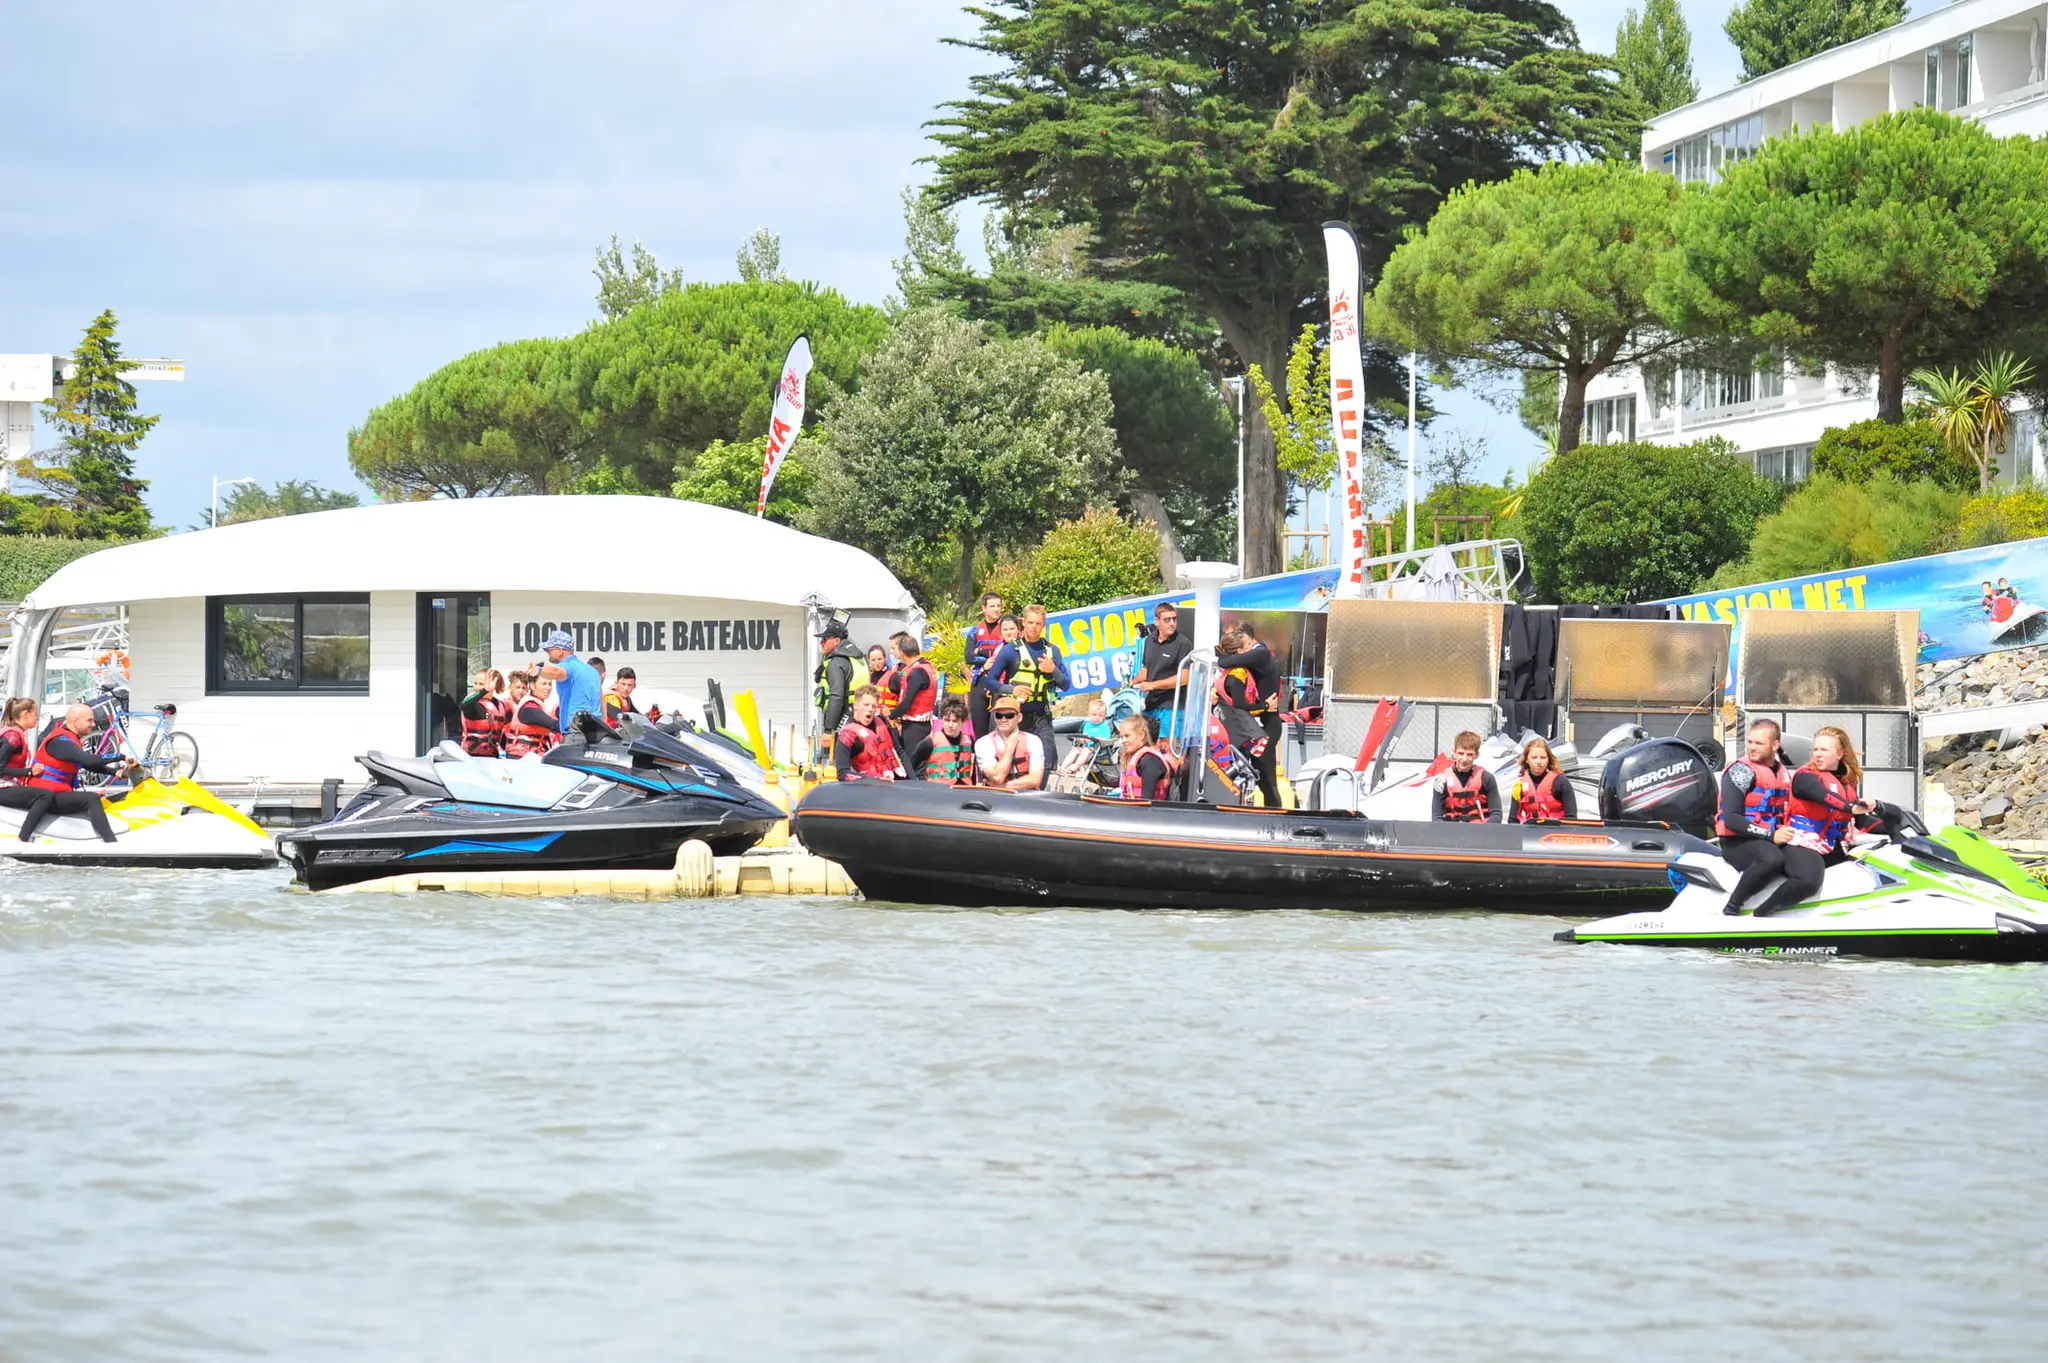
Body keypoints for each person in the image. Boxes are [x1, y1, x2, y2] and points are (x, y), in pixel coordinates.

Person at [1748, 726, 1878, 917]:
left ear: (1840, 754)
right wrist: (1851, 807)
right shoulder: (1805, 777)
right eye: (1815, 749)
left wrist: (1896, 825)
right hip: (1800, 844)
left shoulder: (1847, 782)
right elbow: (1824, 796)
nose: (1817, 755)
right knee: (1808, 880)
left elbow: (1861, 821)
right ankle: (1759, 916)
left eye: (1823, 750)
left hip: (1834, 846)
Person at [13, 702, 135, 843]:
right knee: (91, 798)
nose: (93, 724)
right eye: (89, 720)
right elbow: (88, 760)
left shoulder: (68, 738)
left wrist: (115, 773)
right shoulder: (60, 741)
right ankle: (111, 843)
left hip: (56, 795)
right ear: (75, 721)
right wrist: (120, 757)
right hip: (46, 799)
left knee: (103, 799)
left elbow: (84, 764)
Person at [1715, 719, 1792, 915]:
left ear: (1775, 745)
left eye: (1759, 743)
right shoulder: (1740, 771)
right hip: (1737, 841)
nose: (1752, 748)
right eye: (1750, 742)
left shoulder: (1782, 773)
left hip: (1767, 838)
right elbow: (1731, 819)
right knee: (1772, 859)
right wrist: (1770, 835)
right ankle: (1732, 907)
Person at [986, 604, 1068, 759]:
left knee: (1046, 761)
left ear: (1044, 625)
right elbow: (990, 681)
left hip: (1041, 715)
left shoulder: (1052, 651)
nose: (1034, 627)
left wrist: (1053, 670)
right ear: (1023, 623)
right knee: (1013, 761)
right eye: (1030, 623)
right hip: (1015, 714)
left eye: (1038, 624)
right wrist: (1011, 690)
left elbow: (1066, 684)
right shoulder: (1010, 650)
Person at [1217, 621, 1284, 807]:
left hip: (1265, 726)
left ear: (1245, 638)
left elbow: (1223, 660)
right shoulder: (1251, 658)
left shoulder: (1259, 653)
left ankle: (1276, 819)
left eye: (1237, 639)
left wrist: (1263, 706)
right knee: (1260, 782)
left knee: (1268, 784)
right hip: (1255, 725)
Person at [536, 630, 603, 736]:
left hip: (575, 732)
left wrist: (539, 670)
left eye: (549, 650)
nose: (547, 653)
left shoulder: (568, 666)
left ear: (559, 650)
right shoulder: (592, 671)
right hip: (597, 731)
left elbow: (556, 672)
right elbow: (602, 702)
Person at [813, 622, 866, 757]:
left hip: (842, 716)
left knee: (831, 758)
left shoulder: (836, 663)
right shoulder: (855, 658)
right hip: (857, 714)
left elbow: (836, 697)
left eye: (825, 639)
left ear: (837, 641)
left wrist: (828, 730)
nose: (821, 643)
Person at [1135, 601, 1193, 719]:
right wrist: (1132, 682)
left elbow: (1184, 678)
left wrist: (1153, 685)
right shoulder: (1149, 640)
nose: (1172, 623)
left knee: (1166, 739)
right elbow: (1147, 669)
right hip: (1150, 704)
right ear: (1157, 621)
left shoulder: (1183, 643)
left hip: (1172, 705)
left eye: (1174, 619)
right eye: (1167, 620)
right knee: (1144, 737)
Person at [833, 685, 904, 782]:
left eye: (874, 706)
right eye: (866, 705)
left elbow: (900, 751)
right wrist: (875, 780)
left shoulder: (882, 722)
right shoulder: (847, 735)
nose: (870, 709)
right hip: (868, 788)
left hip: (894, 782)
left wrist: (913, 781)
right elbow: (842, 773)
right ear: (856, 706)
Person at [885, 632, 939, 759]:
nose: (892, 652)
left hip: (915, 727)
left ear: (903, 653)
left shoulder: (917, 672)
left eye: (894, 649)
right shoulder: (926, 667)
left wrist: (890, 714)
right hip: (921, 726)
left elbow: (906, 704)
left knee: (913, 764)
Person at [974, 697, 1045, 791]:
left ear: (1019, 718)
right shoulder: (983, 743)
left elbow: (1035, 780)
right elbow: (998, 777)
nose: (1003, 719)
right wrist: (1010, 747)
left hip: (1026, 798)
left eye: (1009, 715)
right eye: (998, 715)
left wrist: (1000, 787)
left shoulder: (1033, 741)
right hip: (996, 799)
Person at [962, 593, 1007, 738]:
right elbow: (968, 657)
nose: (996, 609)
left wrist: (980, 651)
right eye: (992, 606)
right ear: (984, 608)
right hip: (979, 681)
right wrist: (984, 661)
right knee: (979, 730)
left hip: (1000, 682)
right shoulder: (975, 631)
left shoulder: (1006, 628)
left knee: (1000, 728)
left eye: (999, 606)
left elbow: (1005, 653)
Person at [1431, 730, 1499, 823]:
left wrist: (1485, 832)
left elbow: (1496, 814)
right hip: (1452, 832)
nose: (1464, 759)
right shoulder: (1441, 781)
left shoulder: (1487, 778)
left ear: (1477, 755)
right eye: (1461, 753)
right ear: (1454, 752)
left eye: (1469, 754)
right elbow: (1437, 817)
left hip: (1480, 831)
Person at [1507, 737, 1578, 823]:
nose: (1539, 761)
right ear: (1527, 760)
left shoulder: (1561, 783)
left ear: (1548, 759)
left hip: (1555, 832)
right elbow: (1512, 820)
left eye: (1543, 758)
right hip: (1529, 831)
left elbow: (1571, 818)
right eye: (1534, 757)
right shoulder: (1519, 786)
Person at [909, 696, 977, 784]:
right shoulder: (930, 742)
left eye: (954, 721)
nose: (950, 725)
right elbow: (912, 765)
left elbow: (973, 771)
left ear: (963, 722)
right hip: (939, 790)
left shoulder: (969, 741)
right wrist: (922, 783)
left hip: (964, 789)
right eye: (947, 720)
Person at [1116, 713, 1182, 801]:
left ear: (1141, 735)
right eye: (1121, 737)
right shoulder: (1134, 759)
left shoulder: (1150, 761)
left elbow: (1146, 800)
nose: (1123, 740)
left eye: (1127, 736)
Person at [502, 670, 557, 757]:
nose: (548, 687)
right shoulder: (529, 707)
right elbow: (553, 724)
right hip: (521, 757)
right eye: (544, 684)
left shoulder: (540, 705)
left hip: (535, 755)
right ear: (532, 686)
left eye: (550, 684)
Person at [458, 668, 509, 756]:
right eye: (475, 683)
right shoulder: (474, 705)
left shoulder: (501, 706)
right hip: (473, 756)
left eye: (481, 684)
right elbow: (464, 705)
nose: (476, 687)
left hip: (493, 756)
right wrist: (484, 690)